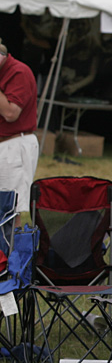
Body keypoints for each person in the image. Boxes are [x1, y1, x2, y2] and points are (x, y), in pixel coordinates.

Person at [0, 36, 40, 226]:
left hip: (13, 146)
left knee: (10, 207)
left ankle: (12, 252)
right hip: (6, 145)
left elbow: (10, 112)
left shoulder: (19, 72)